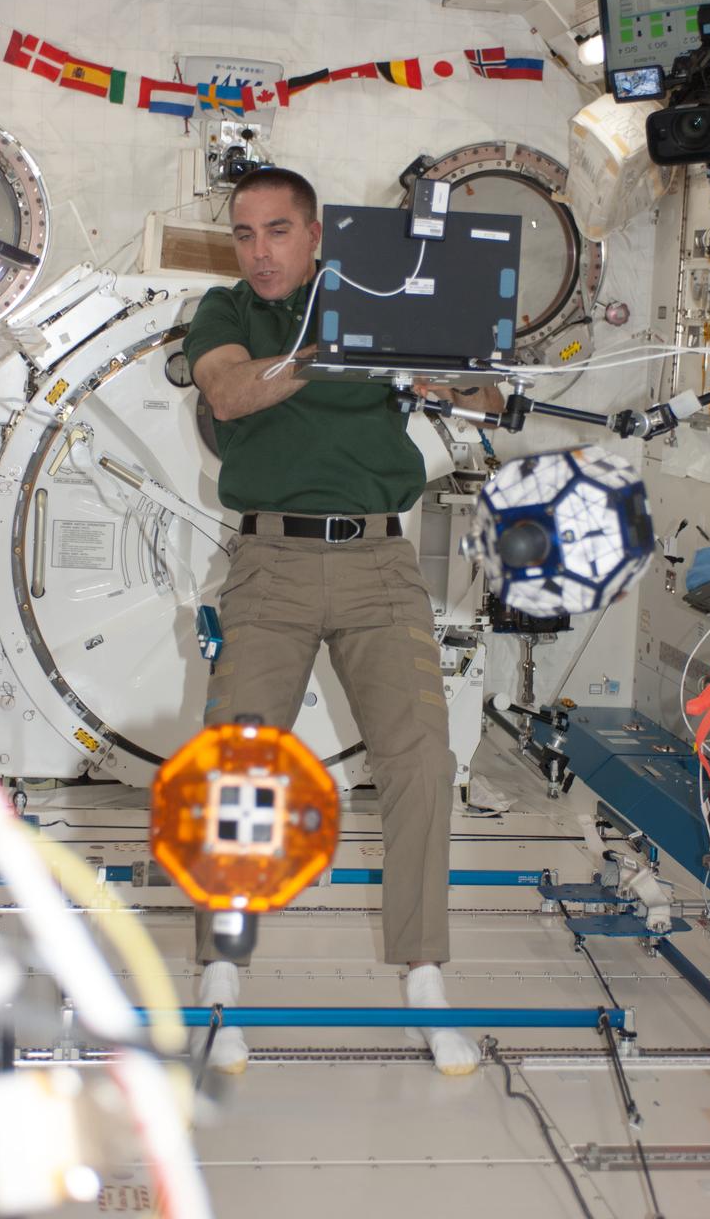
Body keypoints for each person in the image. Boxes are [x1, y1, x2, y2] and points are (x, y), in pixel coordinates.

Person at [183, 167, 503, 1077]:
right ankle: (221, 970)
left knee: (422, 761)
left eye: (278, 230)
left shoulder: (378, 300)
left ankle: (425, 975)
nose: (260, 252)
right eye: (244, 234)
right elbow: (228, 394)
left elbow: (486, 398)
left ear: (317, 234)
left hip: (378, 565)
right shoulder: (227, 311)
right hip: (270, 565)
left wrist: (434, 369)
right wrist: (334, 350)